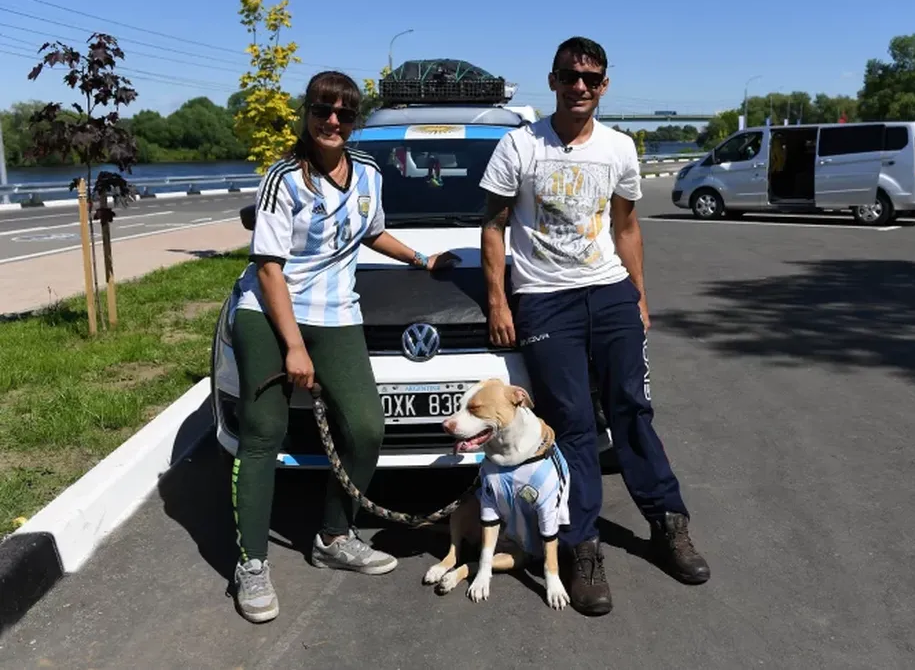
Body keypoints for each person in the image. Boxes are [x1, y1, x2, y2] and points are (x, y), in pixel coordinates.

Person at [478, 37, 711, 616]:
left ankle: (669, 525)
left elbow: (627, 227)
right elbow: (493, 226)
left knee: (632, 408)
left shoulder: (619, 148)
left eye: (590, 77)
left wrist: (638, 295)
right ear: (553, 81)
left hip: (608, 293)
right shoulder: (519, 146)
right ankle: (583, 548)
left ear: (604, 85)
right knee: (576, 426)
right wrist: (499, 303)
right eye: (568, 76)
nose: (579, 85)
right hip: (545, 301)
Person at [227, 70, 458, 624]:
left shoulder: (370, 173)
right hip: (269, 311)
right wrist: (293, 348)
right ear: (306, 114)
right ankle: (251, 564)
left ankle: (333, 536)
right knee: (264, 435)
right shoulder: (284, 179)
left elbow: (370, 231)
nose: (333, 121)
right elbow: (268, 268)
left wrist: (422, 260)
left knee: (367, 428)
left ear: (354, 121)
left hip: (335, 314)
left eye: (345, 114)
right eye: (323, 110)